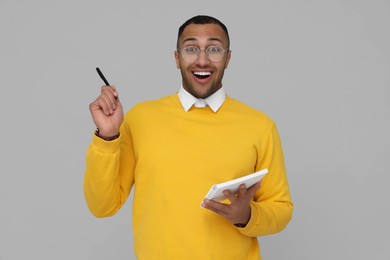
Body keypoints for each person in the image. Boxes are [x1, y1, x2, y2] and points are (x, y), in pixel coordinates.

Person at [84, 15, 293, 260]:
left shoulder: (260, 125)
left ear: (227, 58)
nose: (202, 59)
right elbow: (102, 206)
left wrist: (247, 216)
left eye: (214, 49)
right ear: (177, 58)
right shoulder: (140, 118)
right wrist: (108, 136)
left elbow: (281, 208)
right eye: (191, 49)